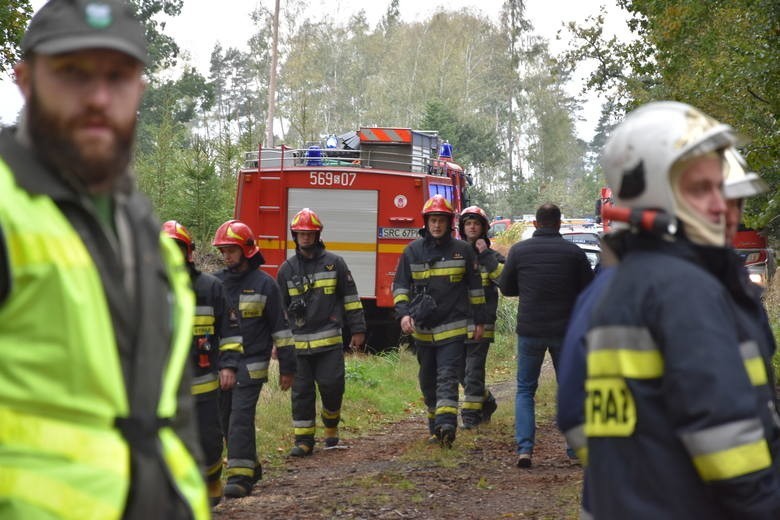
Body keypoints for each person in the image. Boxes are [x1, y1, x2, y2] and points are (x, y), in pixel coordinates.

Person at [0, 1, 210, 518]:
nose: (98, 97)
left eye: (117, 77)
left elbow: (172, 416)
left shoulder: (147, 234)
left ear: (139, 88)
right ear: (25, 79)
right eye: (72, 73)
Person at [581, 101, 780, 518]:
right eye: (698, 189)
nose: (720, 205)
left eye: (723, 189)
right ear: (656, 194)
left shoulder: (630, 281)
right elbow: (732, 452)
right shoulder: (684, 288)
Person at [498, 203, 594, 468]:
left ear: (536, 224)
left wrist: (528, 288)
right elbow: (588, 291)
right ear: (559, 223)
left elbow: (506, 288)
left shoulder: (519, 251)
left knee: (525, 390)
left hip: (530, 329)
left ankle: (524, 450)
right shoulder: (574, 253)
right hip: (565, 331)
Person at [392, 195, 486, 448]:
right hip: (422, 332)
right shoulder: (412, 251)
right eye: (433, 220)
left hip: (453, 330)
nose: (436, 226)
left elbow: (476, 290)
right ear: (426, 222)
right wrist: (404, 314)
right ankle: (435, 427)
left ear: (448, 223)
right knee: (427, 381)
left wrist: (479, 322)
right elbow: (400, 286)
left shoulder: (463, 251)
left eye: (441, 221)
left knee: (447, 376)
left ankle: (447, 425)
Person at [212, 219, 296, 498]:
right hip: (223, 364)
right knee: (224, 419)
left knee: (240, 416)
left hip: (252, 363)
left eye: (231, 250)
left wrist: (287, 367)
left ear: (246, 250)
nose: (226, 256)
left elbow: (281, 330)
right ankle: (251, 464)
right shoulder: (216, 284)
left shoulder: (265, 284)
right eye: (223, 251)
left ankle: (239, 476)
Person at [163, 220, 244, 507]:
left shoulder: (211, 287)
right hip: (165, 392)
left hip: (206, 386)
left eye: (178, 248)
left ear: (189, 253)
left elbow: (231, 331)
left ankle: (211, 481)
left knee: (210, 442)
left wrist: (229, 365)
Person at [277, 208, 367, 456]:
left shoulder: (334, 263)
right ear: (294, 236)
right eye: (301, 233)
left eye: (310, 233)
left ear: (318, 235)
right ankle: (304, 441)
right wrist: (278, 343)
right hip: (298, 346)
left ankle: (330, 428)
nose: (305, 237)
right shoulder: (286, 269)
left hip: (328, 342)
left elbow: (350, 298)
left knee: (332, 386)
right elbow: (278, 311)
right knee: (301, 393)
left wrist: (357, 330)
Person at [457, 206, 504, 429]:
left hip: (483, 322)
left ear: (484, 228)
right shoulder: (455, 254)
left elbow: (505, 281)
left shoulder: (492, 256)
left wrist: (485, 255)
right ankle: (487, 401)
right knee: (458, 370)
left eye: (476, 223)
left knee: (473, 370)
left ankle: (470, 416)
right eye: (468, 223)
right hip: (456, 321)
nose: (472, 227)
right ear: (462, 228)